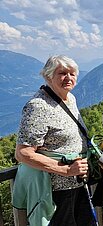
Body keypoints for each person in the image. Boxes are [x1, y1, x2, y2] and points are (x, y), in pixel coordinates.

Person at [13, 55, 95, 226]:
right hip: (55, 191)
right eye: (62, 73)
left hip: (77, 183)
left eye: (72, 73)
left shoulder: (70, 99)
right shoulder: (38, 106)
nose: (69, 78)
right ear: (48, 76)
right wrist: (66, 170)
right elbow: (22, 153)